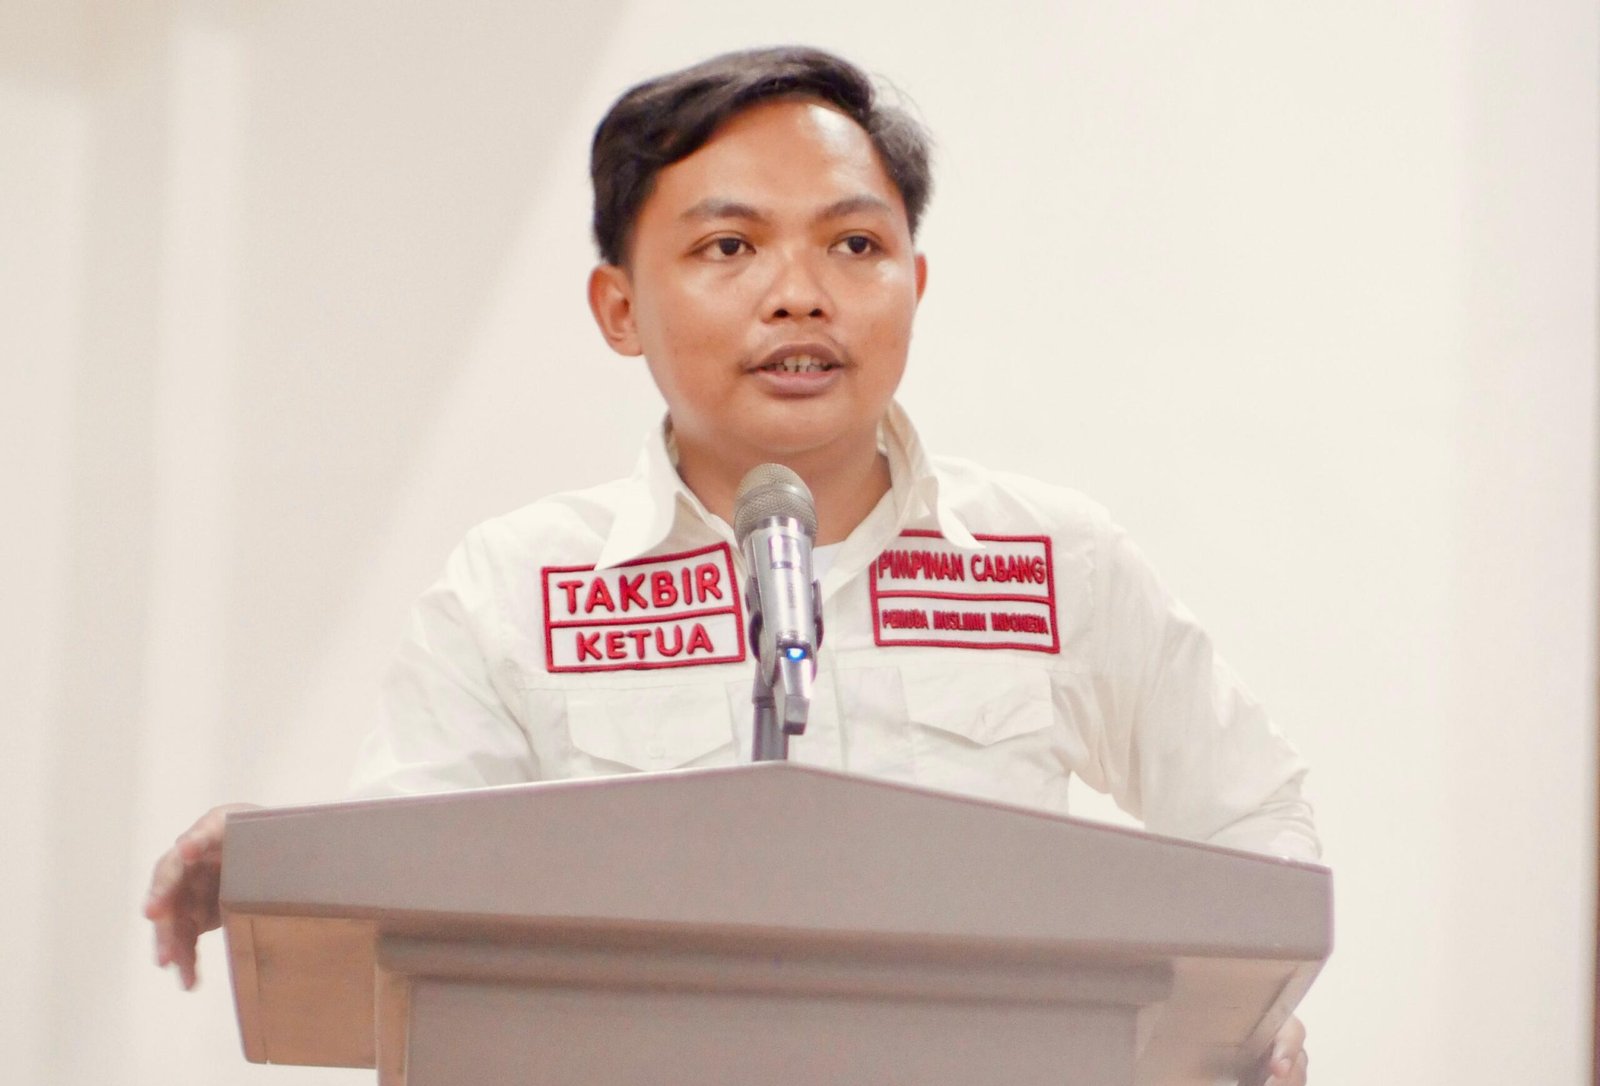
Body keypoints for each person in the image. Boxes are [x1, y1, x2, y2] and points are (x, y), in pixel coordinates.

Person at [145, 46, 1314, 1084]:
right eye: (729, 247)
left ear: (914, 284)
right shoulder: (519, 588)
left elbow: (1253, 816)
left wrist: (1233, 1029)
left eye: (855, 245)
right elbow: (403, 896)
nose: (799, 295)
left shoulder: (1052, 561)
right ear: (619, 308)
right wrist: (286, 861)